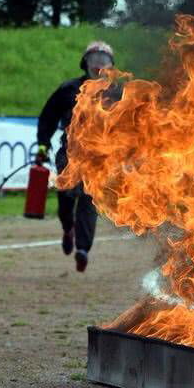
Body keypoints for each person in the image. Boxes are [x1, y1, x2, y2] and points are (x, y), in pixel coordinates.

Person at [36, 41, 115, 272]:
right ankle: (67, 227)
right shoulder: (68, 89)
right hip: (69, 153)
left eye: (104, 58)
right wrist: (42, 146)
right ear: (85, 63)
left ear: (111, 65)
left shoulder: (117, 93)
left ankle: (83, 248)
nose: (99, 62)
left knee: (89, 202)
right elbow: (47, 118)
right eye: (94, 57)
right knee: (66, 196)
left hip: (100, 158)